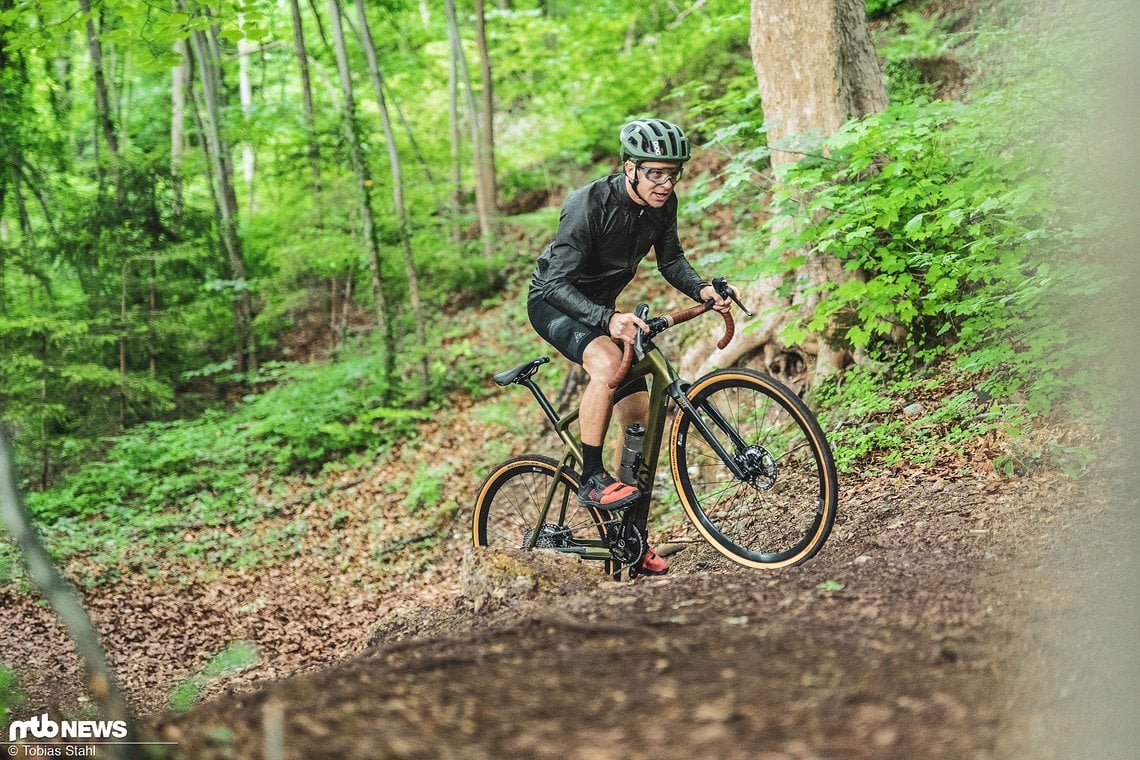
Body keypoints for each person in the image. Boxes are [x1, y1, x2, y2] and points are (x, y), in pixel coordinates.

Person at [527, 118, 736, 576]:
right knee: (606, 363)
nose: (666, 183)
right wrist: (608, 319)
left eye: (673, 173)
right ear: (630, 169)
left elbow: (672, 259)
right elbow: (556, 282)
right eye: (656, 173)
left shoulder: (663, 204)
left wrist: (701, 290)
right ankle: (590, 478)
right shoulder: (587, 205)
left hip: (602, 307)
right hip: (554, 303)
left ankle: (629, 537)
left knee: (638, 414)